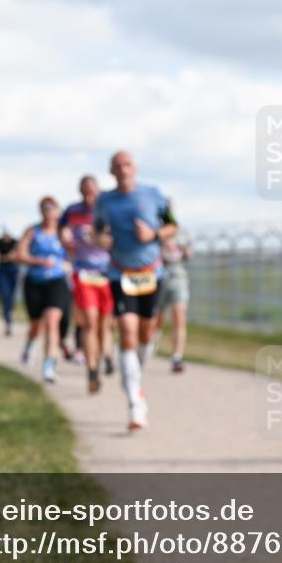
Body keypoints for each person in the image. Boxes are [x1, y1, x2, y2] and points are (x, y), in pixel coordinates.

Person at [94, 150, 177, 431]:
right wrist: (100, 239)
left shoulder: (154, 194)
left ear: (135, 168)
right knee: (127, 330)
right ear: (111, 171)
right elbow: (97, 231)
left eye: (127, 164)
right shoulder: (104, 201)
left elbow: (173, 226)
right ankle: (134, 403)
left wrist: (153, 235)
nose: (123, 169)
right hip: (120, 273)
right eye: (117, 165)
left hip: (151, 272)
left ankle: (134, 377)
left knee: (146, 332)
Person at [62, 175, 116, 394]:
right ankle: (92, 370)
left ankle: (107, 356)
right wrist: (66, 240)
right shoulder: (73, 210)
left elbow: (115, 239)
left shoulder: (109, 210)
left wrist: (102, 240)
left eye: (92, 190)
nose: (89, 195)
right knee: (90, 321)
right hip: (83, 271)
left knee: (106, 322)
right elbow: (62, 229)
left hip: (107, 272)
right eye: (85, 191)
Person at [16, 196, 72, 383]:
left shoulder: (63, 232)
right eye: (45, 209)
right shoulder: (32, 231)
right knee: (36, 325)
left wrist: (69, 262)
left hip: (56, 281)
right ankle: (30, 345)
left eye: (52, 209)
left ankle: (48, 367)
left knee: (52, 320)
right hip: (34, 281)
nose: (49, 213)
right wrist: (38, 261)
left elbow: (75, 250)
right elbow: (20, 254)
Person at [151, 203, 191, 374]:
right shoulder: (154, 232)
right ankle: (153, 337)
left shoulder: (182, 233)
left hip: (178, 278)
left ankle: (177, 357)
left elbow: (189, 254)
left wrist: (184, 250)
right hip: (158, 278)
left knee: (178, 316)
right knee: (157, 317)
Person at [0, 228, 19, 337]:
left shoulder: (15, 242)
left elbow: (16, 256)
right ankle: (7, 318)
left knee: (12, 296)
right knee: (5, 294)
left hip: (13, 270)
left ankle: (9, 312)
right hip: (2, 271)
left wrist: (11, 257)